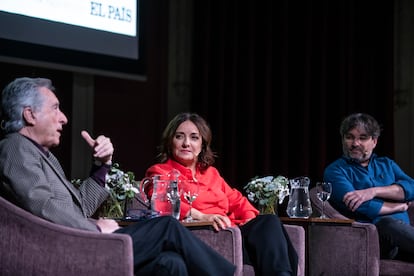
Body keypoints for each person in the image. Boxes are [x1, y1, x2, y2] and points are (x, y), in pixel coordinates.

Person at [0, 77, 235, 276]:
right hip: (66, 248)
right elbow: (44, 207)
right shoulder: (15, 147)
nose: (63, 118)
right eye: (55, 108)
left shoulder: (42, 155)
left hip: (78, 240)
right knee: (166, 226)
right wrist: (98, 230)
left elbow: (80, 208)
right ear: (30, 115)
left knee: (171, 263)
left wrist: (103, 165)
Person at [145, 112, 298, 276]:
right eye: (179, 136)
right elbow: (162, 203)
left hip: (231, 235)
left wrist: (248, 217)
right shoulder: (160, 172)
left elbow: (237, 201)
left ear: (203, 144)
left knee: (269, 221)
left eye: (194, 137)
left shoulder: (211, 173)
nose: (186, 143)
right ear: (170, 142)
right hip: (202, 238)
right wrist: (202, 216)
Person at [324, 112, 414, 261]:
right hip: (375, 242)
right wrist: (399, 206)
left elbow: (411, 187)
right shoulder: (335, 171)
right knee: (386, 223)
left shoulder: (387, 164)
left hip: (406, 242)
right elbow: (360, 205)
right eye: (349, 137)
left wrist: (373, 191)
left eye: (362, 138)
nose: (355, 143)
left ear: (374, 141)